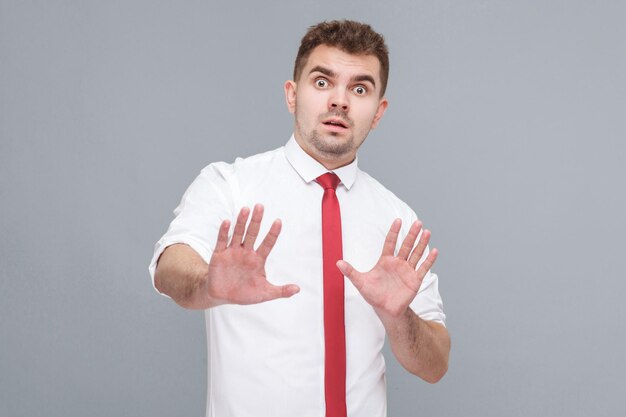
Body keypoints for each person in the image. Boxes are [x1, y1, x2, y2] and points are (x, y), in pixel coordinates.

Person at [149, 20, 450, 417]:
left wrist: (399, 318)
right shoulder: (230, 184)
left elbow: (435, 364)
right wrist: (210, 285)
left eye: (359, 89)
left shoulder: (397, 221)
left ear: (378, 112)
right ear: (292, 95)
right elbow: (169, 267)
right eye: (322, 82)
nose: (340, 101)